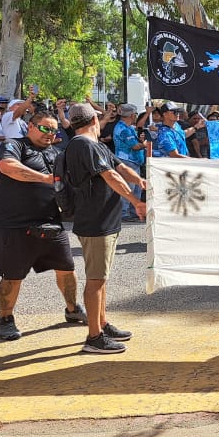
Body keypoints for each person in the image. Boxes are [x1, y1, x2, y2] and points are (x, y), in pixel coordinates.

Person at [0, 111, 86, 341]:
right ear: (30, 127)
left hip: (51, 221)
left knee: (67, 269)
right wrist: (45, 179)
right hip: (14, 224)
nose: (50, 134)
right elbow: (7, 166)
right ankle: (6, 318)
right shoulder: (15, 145)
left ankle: (72, 310)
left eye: (53, 130)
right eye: (44, 128)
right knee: (12, 276)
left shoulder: (56, 153)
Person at [62, 104, 146, 354]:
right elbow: (110, 175)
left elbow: (121, 168)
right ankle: (94, 337)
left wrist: (140, 180)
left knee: (101, 278)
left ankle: (101, 323)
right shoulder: (82, 145)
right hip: (95, 221)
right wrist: (135, 201)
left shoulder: (95, 146)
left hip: (105, 220)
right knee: (96, 279)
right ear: (95, 121)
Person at [113, 104, 146, 222]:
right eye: (135, 114)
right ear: (132, 115)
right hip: (127, 162)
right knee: (128, 188)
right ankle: (124, 212)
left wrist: (141, 141)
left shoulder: (129, 127)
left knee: (137, 187)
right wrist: (145, 144)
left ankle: (133, 211)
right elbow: (135, 146)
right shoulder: (123, 129)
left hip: (133, 162)